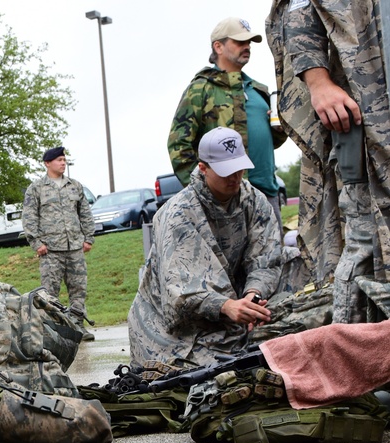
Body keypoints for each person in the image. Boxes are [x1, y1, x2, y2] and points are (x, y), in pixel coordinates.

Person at [266, 1, 390, 323]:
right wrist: (318, 83)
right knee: (364, 240)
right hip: (366, 120)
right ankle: (353, 350)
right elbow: (298, 12)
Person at [128, 127, 282, 367]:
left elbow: (266, 257)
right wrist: (227, 306)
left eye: (239, 168)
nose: (235, 177)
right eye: (226, 171)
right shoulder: (179, 214)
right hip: (173, 332)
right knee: (217, 375)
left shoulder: (254, 200)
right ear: (203, 168)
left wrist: (253, 295)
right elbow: (181, 290)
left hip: (232, 311)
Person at [168, 17, 287, 224]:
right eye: (240, 42)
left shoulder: (259, 90)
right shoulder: (201, 89)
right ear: (218, 46)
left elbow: (269, 143)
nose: (247, 47)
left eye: (249, 43)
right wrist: (204, 192)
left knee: (273, 256)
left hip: (267, 195)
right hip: (228, 201)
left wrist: (279, 130)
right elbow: (178, 145)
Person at [22, 146, 95, 340]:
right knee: (49, 291)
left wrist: (88, 237)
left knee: (78, 288)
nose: (63, 163)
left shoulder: (75, 186)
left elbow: (85, 213)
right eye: (59, 160)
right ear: (48, 163)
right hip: (50, 250)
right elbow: (29, 217)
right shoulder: (36, 188)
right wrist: (36, 243)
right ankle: (54, 329)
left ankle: (78, 325)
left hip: (74, 248)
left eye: (64, 160)